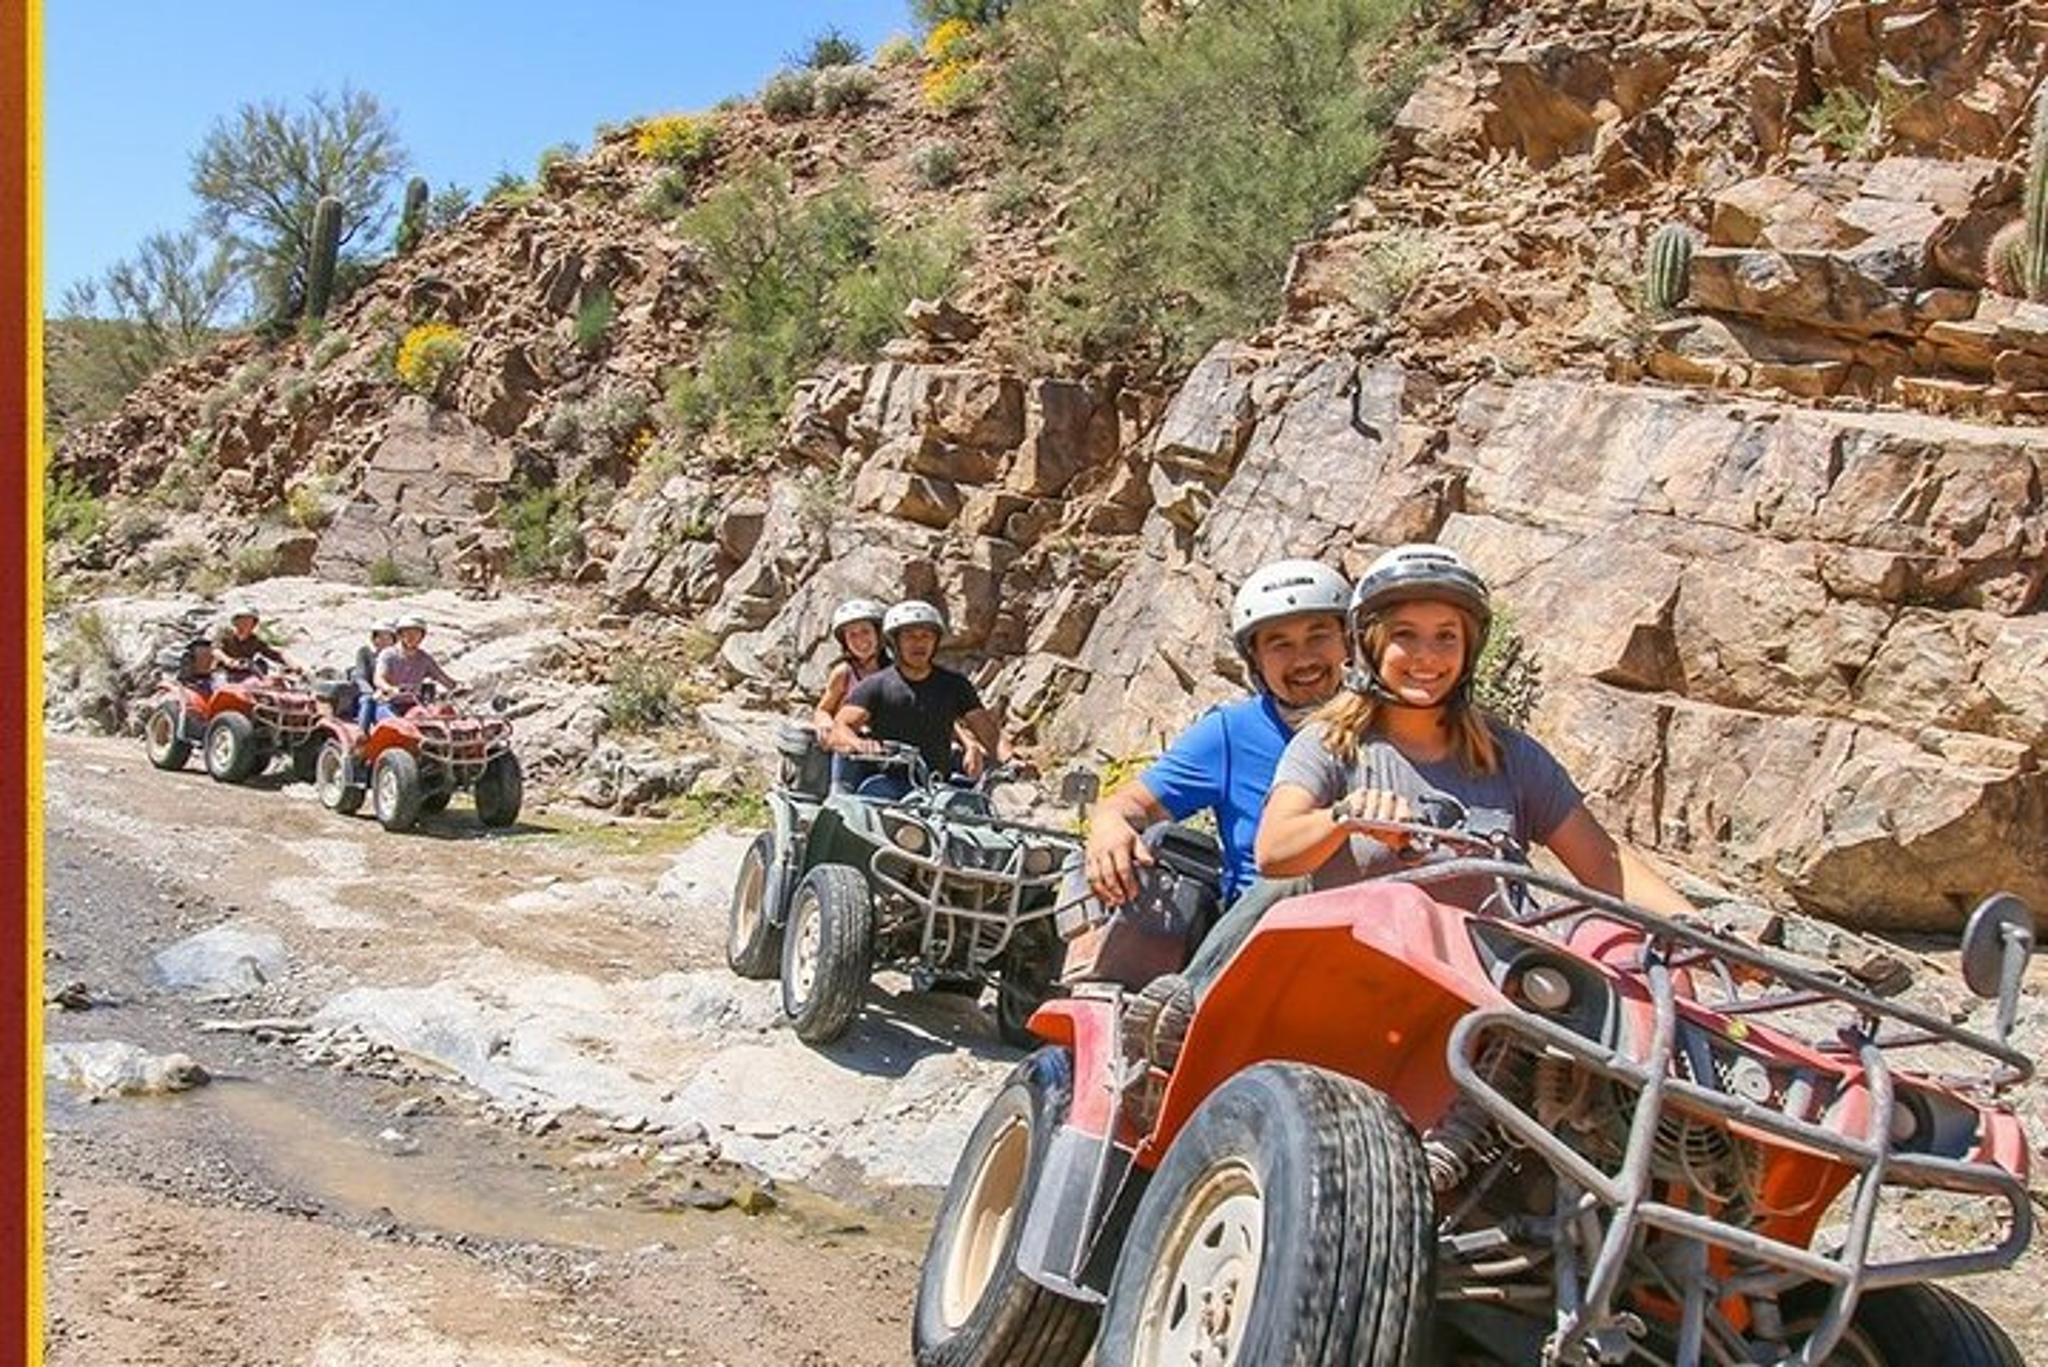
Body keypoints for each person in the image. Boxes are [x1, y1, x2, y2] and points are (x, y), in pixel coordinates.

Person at [1187, 543, 1693, 992]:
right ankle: (1189, 1001)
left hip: (1483, 989)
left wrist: (1698, 931)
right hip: (1348, 984)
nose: (1427, 657)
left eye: (1446, 637)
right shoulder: (1328, 743)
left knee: (1635, 970)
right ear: (1371, 645)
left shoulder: (1509, 755)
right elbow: (1274, 852)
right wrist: (1346, 818)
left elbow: (1603, 863)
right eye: (1405, 635)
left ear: (1468, 650)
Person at [1082, 559, 1351, 910]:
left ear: (1350, 641)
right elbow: (1133, 804)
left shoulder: (1397, 720)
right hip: (1270, 929)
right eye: (1279, 644)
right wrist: (1108, 825)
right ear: (1255, 660)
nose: (1303, 659)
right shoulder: (1231, 732)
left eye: (1318, 636)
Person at [830, 600, 1003, 800]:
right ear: (895, 642)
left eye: (926, 636)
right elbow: (840, 727)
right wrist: (858, 743)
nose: (919, 643)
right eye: (910, 636)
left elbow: (986, 730)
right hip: (887, 785)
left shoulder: (955, 685)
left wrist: (1001, 758)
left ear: (936, 641)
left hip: (939, 787)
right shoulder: (875, 686)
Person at [812, 598, 890, 742]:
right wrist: (825, 723)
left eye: (865, 631)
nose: (860, 640)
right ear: (845, 642)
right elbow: (823, 710)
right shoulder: (844, 673)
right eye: (852, 635)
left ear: (878, 634)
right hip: (849, 747)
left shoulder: (893, 673)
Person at [373, 613, 460, 719]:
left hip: (413, 704)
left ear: (422, 636)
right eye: (407, 633)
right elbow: (378, 678)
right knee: (397, 725)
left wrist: (457, 687)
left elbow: (442, 677)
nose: (412, 637)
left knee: (439, 717)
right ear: (400, 635)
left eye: (416, 634)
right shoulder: (388, 654)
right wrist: (390, 688)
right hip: (388, 703)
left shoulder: (424, 658)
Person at [213, 603, 294, 679]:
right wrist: (228, 660)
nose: (244, 624)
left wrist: (292, 664)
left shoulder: (255, 640)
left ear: (253, 624)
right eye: (241, 621)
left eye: (248, 621)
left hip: (244, 674)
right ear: (235, 622)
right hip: (222, 673)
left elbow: (274, 653)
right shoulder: (225, 633)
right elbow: (216, 650)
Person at [352, 620, 397, 732]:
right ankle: (362, 732)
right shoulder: (365, 653)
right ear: (373, 639)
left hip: (390, 693)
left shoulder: (397, 656)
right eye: (380, 637)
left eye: (388, 638)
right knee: (368, 700)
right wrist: (370, 692)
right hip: (367, 692)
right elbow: (360, 676)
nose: (384, 641)